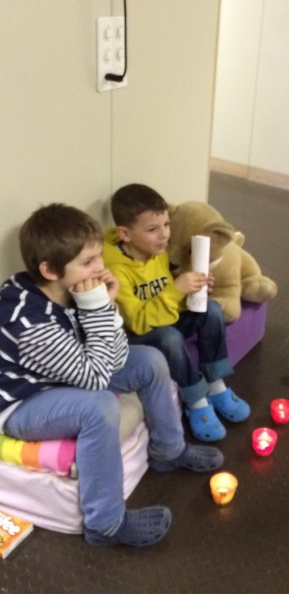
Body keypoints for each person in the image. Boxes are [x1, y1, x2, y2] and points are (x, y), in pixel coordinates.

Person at [0, 204, 224, 547]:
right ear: (49, 269)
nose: (100, 268)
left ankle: (169, 450)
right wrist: (98, 307)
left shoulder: (71, 288)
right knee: (99, 407)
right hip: (24, 401)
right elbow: (94, 379)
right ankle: (104, 524)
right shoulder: (31, 323)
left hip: (68, 371)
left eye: (99, 257)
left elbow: (113, 355)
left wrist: (105, 308)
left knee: (149, 359)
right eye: (88, 262)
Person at [103, 183, 250, 443]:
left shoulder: (157, 252)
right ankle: (195, 400)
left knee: (211, 309)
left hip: (165, 319)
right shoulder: (116, 269)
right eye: (152, 229)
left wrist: (193, 288)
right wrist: (176, 290)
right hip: (138, 337)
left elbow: (166, 293)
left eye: (167, 225)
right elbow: (137, 322)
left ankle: (216, 386)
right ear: (125, 234)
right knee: (169, 337)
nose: (164, 235)